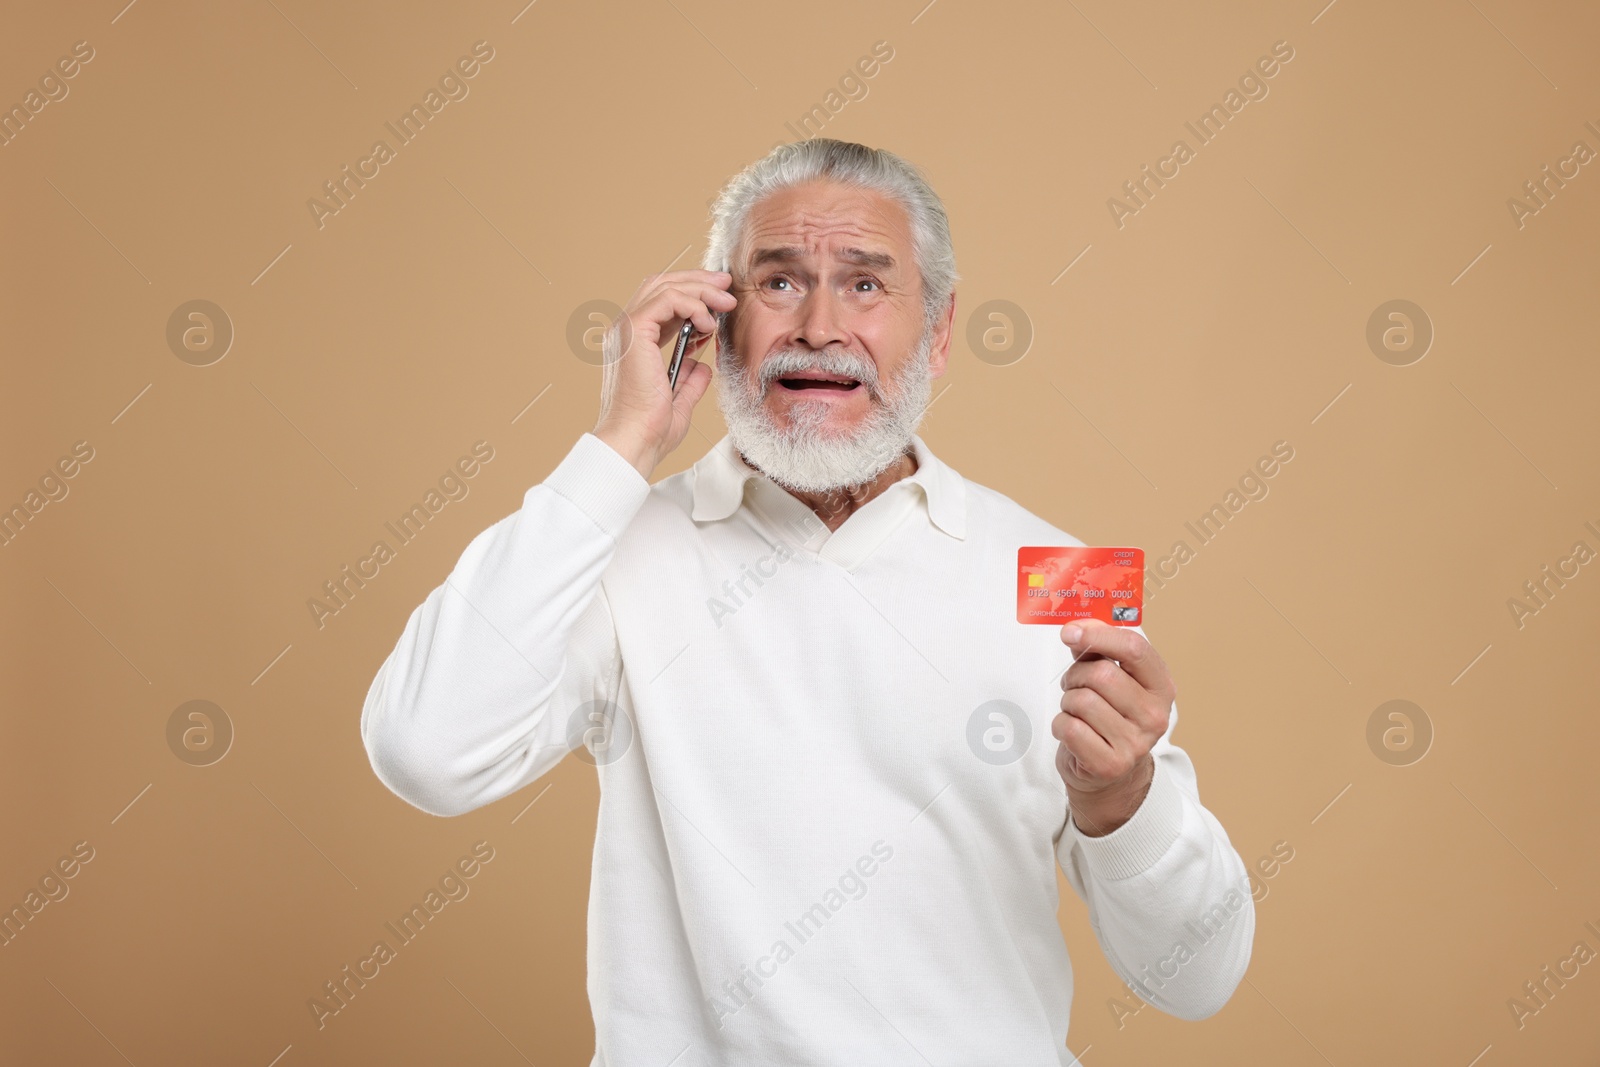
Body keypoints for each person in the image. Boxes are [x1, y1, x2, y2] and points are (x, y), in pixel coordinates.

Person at [361, 138, 1253, 1065]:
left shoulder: (1054, 575)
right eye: (780, 282)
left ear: (940, 332)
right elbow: (424, 750)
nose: (821, 327)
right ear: (716, 319)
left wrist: (1124, 799)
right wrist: (621, 442)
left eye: (866, 286)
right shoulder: (615, 551)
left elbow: (1199, 978)